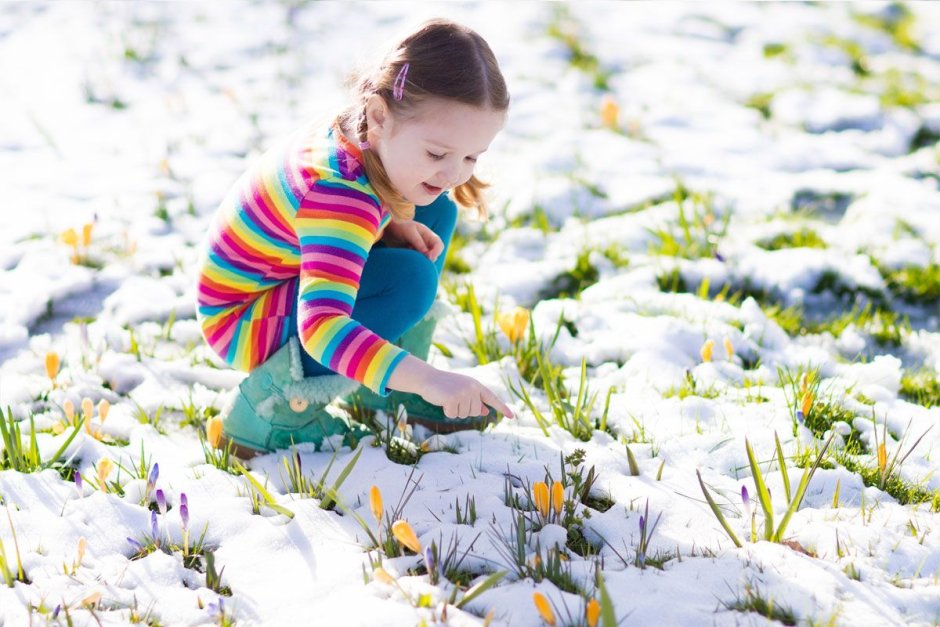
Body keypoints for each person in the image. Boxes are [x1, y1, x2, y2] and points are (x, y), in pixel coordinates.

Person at [195, 18, 514, 457]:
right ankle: (269, 412)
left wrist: (394, 219)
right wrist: (429, 380)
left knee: (435, 206)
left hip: (279, 289)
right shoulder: (339, 193)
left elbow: (364, 206)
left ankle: (380, 388)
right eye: (438, 154)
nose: (456, 172)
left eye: (472, 156)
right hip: (246, 321)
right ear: (381, 115)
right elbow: (322, 328)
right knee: (408, 280)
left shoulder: (361, 130)